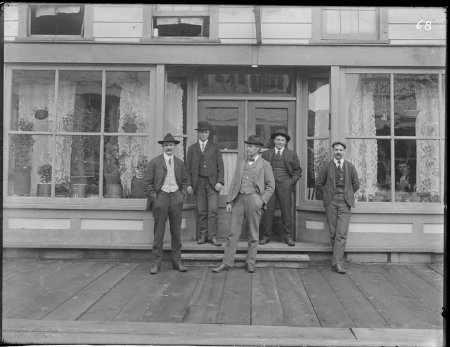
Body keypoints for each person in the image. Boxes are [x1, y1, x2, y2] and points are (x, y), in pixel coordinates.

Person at [211, 135, 275, 274]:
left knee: (253, 234)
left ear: (258, 149)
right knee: (233, 233)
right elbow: (234, 182)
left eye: (251, 146)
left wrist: (261, 201)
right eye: (248, 146)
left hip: (254, 199)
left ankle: (251, 262)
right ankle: (227, 262)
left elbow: (271, 186)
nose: (248, 149)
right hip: (238, 199)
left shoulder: (265, 164)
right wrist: (229, 201)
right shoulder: (241, 162)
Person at [144, 133, 188, 275]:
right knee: (159, 233)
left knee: (176, 233)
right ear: (163, 146)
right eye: (167, 145)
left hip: (176, 197)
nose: (169, 147)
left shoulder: (180, 163)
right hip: (161, 197)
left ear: (175, 146)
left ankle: (177, 262)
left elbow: (185, 180)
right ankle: (156, 264)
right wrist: (155, 199)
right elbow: (148, 183)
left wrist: (181, 195)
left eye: (171, 145)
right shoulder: (155, 162)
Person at [316, 141, 359, 274]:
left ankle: (337, 263)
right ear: (333, 151)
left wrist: (348, 194)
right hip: (331, 202)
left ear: (344, 151)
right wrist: (328, 195)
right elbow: (319, 183)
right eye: (336, 150)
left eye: (341, 150)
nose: (338, 152)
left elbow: (356, 184)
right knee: (333, 233)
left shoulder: (350, 167)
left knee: (341, 233)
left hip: (345, 202)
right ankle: (337, 261)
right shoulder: (327, 167)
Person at [260, 130, 302, 246]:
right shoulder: (266, 154)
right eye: (278, 139)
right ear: (274, 141)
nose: (280, 142)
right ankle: (265, 236)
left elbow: (298, 171)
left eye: (282, 140)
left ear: (285, 142)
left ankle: (288, 237)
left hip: (285, 186)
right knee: (268, 212)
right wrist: (265, 183)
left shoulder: (291, 154)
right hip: (270, 187)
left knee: (286, 212)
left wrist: (290, 182)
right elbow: (260, 170)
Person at [186, 121, 225, 246]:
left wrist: (220, 181)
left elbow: (221, 166)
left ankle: (212, 236)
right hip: (198, 183)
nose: (203, 134)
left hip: (212, 184)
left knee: (213, 210)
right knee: (201, 211)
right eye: (201, 132)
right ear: (198, 133)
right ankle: (202, 236)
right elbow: (187, 169)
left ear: (209, 133)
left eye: (205, 132)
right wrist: (189, 184)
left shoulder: (215, 147)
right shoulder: (192, 148)